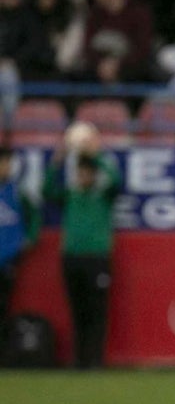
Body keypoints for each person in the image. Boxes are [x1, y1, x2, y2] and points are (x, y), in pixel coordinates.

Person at [43, 140, 122, 370]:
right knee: (77, 311)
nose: (84, 177)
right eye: (81, 172)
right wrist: (55, 165)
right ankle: (79, 359)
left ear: (95, 175)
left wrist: (94, 155)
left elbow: (116, 180)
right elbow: (46, 191)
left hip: (97, 258)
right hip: (72, 257)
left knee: (97, 310)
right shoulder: (70, 195)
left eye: (88, 173)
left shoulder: (103, 197)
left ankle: (96, 360)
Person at [0, 147, 39, 327]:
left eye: (8, 163)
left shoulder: (17, 190)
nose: (5, 167)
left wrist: (30, 238)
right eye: (2, 162)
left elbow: (35, 214)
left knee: (3, 305)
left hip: (8, 257)